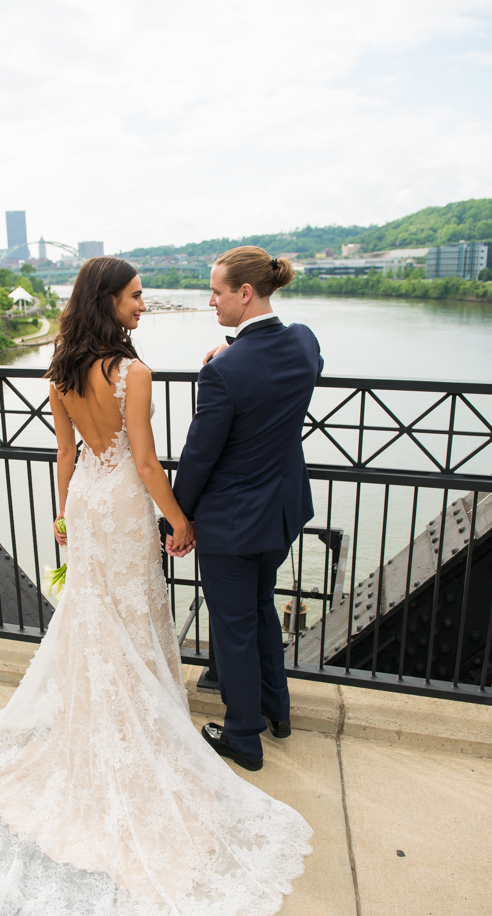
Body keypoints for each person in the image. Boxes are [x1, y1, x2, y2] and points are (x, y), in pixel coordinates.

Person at [0, 256, 312, 916]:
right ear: (110, 302)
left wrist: (62, 518)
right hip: (122, 508)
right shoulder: (133, 374)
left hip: (86, 504)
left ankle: (96, 717)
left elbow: (65, 455)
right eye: (136, 295)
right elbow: (147, 466)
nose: (144, 305)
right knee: (131, 616)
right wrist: (178, 521)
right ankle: (145, 719)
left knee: (93, 618)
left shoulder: (59, 371)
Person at [166, 246, 323, 771]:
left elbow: (199, 456)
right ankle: (277, 712)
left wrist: (178, 517)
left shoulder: (222, 374)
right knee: (259, 611)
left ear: (245, 292)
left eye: (217, 291)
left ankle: (243, 739)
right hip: (281, 514)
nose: (211, 301)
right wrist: (230, 347)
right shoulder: (304, 343)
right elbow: (280, 367)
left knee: (232, 626)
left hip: (232, 525)